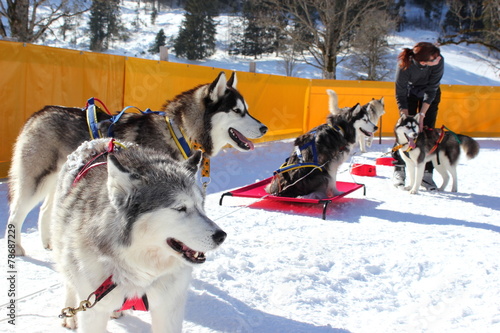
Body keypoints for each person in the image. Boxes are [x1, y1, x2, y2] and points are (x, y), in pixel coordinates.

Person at [392, 42, 444, 190]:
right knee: (403, 130)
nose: (439, 59)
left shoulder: (439, 61)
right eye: (434, 58)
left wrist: (421, 115)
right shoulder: (405, 65)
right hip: (409, 93)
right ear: (423, 62)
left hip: (430, 95)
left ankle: (426, 174)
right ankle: (399, 168)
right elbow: (400, 93)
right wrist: (406, 119)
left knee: (428, 131)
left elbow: (432, 89)